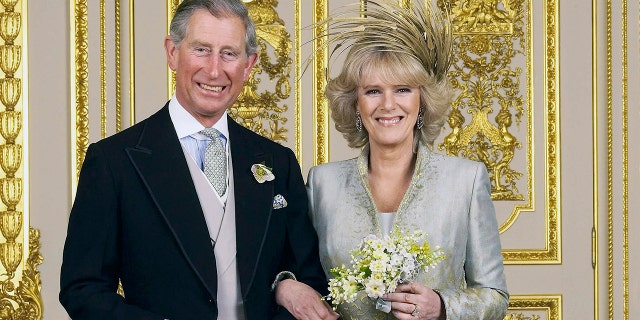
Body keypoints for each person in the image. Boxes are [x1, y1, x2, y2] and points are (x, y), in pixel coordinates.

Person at [59, 0, 339, 319]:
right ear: (173, 53)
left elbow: (310, 280)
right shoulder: (113, 162)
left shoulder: (278, 161)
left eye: (229, 53)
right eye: (202, 49)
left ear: (248, 65)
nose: (214, 70)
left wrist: (284, 284)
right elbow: (83, 289)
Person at [306, 0, 509, 319]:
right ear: (355, 104)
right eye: (373, 91)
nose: (388, 105)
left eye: (402, 90)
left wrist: (441, 307)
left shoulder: (465, 180)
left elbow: (494, 295)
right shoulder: (322, 184)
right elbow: (307, 284)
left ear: (422, 102)